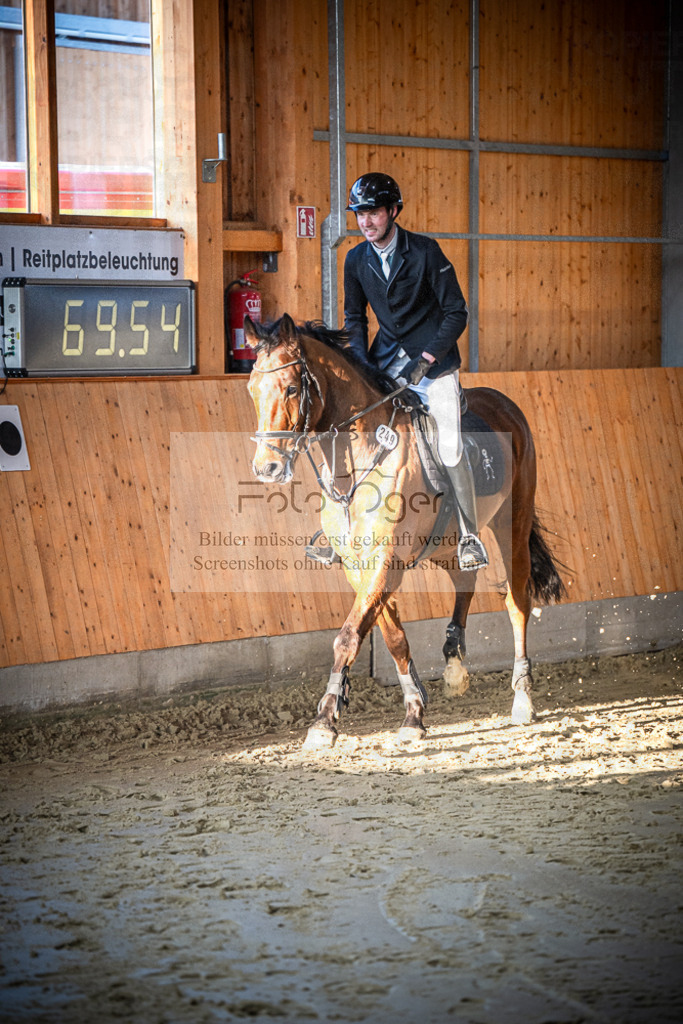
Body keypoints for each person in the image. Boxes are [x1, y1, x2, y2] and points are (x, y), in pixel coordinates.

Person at [343, 171, 488, 571]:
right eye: (360, 214)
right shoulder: (355, 259)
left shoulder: (425, 252)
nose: (366, 222)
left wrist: (425, 360)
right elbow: (354, 318)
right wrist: (361, 365)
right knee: (351, 430)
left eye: (373, 213)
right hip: (385, 362)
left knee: (449, 446)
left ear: (393, 211)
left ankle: (469, 536)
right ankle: (340, 525)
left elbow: (457, 312)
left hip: (433, 365)